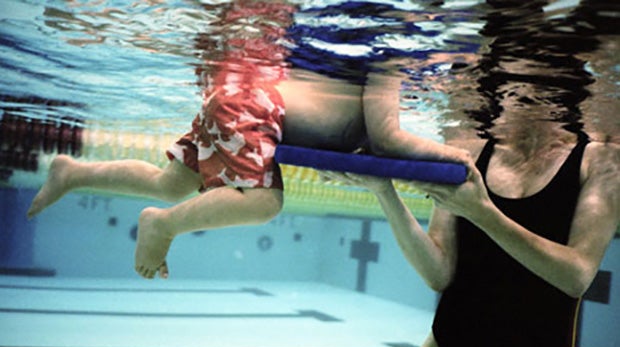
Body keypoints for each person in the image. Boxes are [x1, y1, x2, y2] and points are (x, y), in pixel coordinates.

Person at [26, 0, 468, 279]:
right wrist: (453, 156)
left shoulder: (370, 51)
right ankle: (163, 225)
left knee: (171, 183)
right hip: (256, 101)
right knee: (264, 202)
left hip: (240, 93)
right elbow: (388, 139)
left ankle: (74, 173)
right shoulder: (393, 53)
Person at [328, 85, 620, 347]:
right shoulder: (469, 147)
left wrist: (481, 212)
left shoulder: (602, 160)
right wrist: (385, 192)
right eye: (508, 86)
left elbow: (576, 275)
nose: (520, 95)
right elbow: (438, 273)